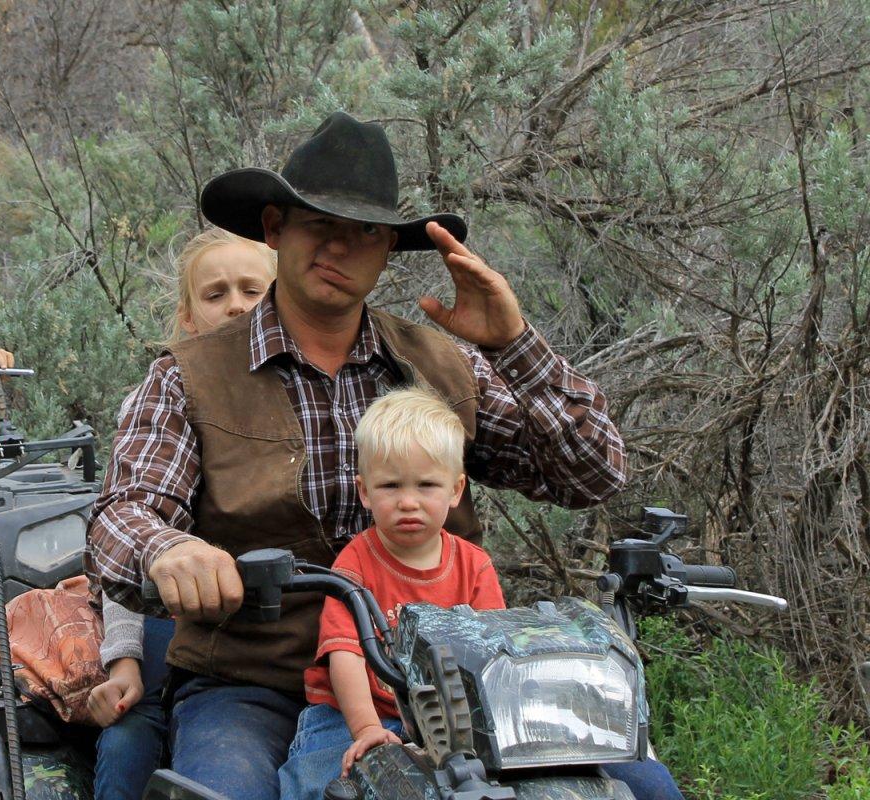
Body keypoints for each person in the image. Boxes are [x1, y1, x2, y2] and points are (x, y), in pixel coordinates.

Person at [88, 112, 673, 799]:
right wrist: (167, 552)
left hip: (447, 680)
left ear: (389, 249)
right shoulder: (187, 375)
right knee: (222, 791)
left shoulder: (442, 362)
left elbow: (593, 471)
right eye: (318, 223)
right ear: (275, 228)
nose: (340, 246)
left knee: (644, 786)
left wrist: (513, 340)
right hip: (255, 681)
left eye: (365, 230)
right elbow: (122, 515)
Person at [87, 226, 275, 800]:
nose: (236, 304)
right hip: (168, 622)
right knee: (127, 743)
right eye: (215, 294)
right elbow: (126, 527)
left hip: (279, 635)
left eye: (252, 290)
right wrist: (122, 660)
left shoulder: (316, 394)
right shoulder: (167, 392)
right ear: (189, 315)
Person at [278, 387, 505, 798]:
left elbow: (491, 657)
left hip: (450, 721)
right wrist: (366, 728)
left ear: (455, 491)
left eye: (426, 485)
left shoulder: (474, 566)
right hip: (350, 712)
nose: (408, 502)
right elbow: (344, 654)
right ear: (365, 491)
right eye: (390, 487)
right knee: (322, 781)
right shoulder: (356, 564)